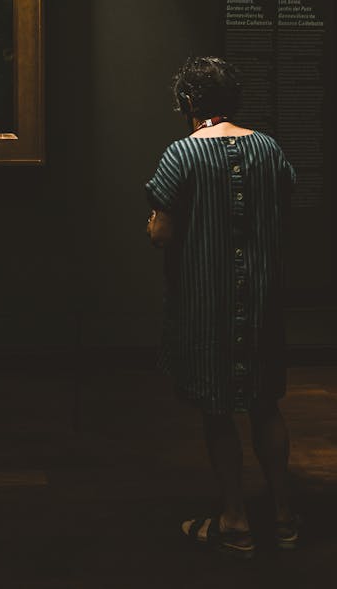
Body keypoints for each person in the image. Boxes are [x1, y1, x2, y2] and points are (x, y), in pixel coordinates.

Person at [145, 55, 297, 560]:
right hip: (261, 305)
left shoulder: (180, 155)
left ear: (190, 102)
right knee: (265, 406)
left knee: (217, 411)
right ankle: (283, 516)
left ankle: (234, 520)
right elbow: (285, 205)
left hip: (207, 307)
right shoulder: (269, 149)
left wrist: (152, 225)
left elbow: (163, 234)